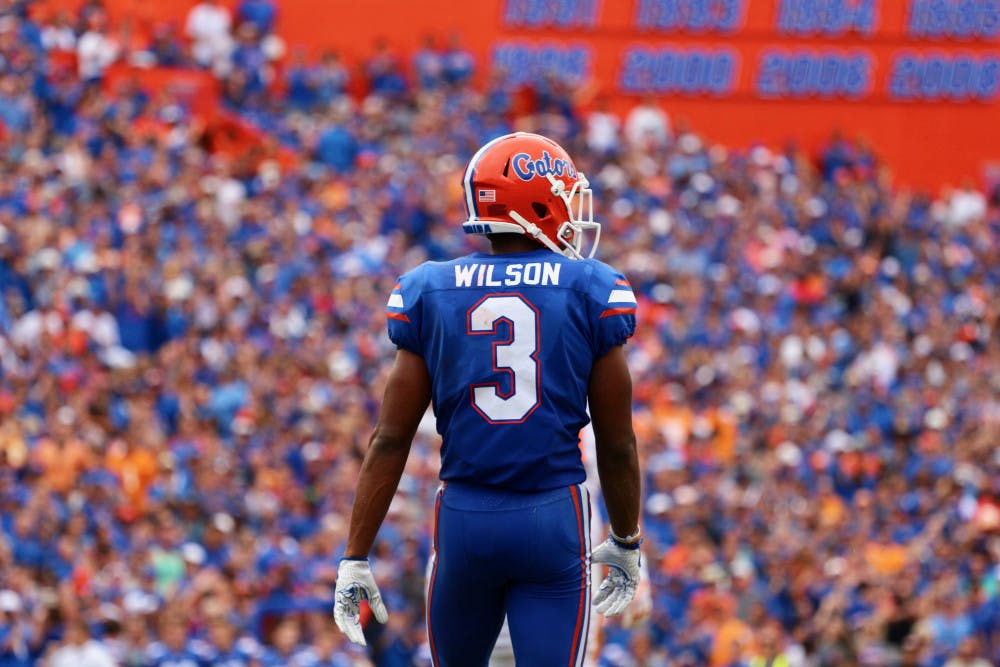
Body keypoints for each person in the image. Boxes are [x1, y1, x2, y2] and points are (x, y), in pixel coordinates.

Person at [333, 132, 642, 665]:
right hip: (553, 516)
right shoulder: (591, 288)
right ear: (536, 202)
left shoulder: (429, 288)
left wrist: (355, 556)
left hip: (464, 519)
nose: (573, 211)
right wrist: (626, 539)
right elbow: (617, 445)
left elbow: (390, 439)